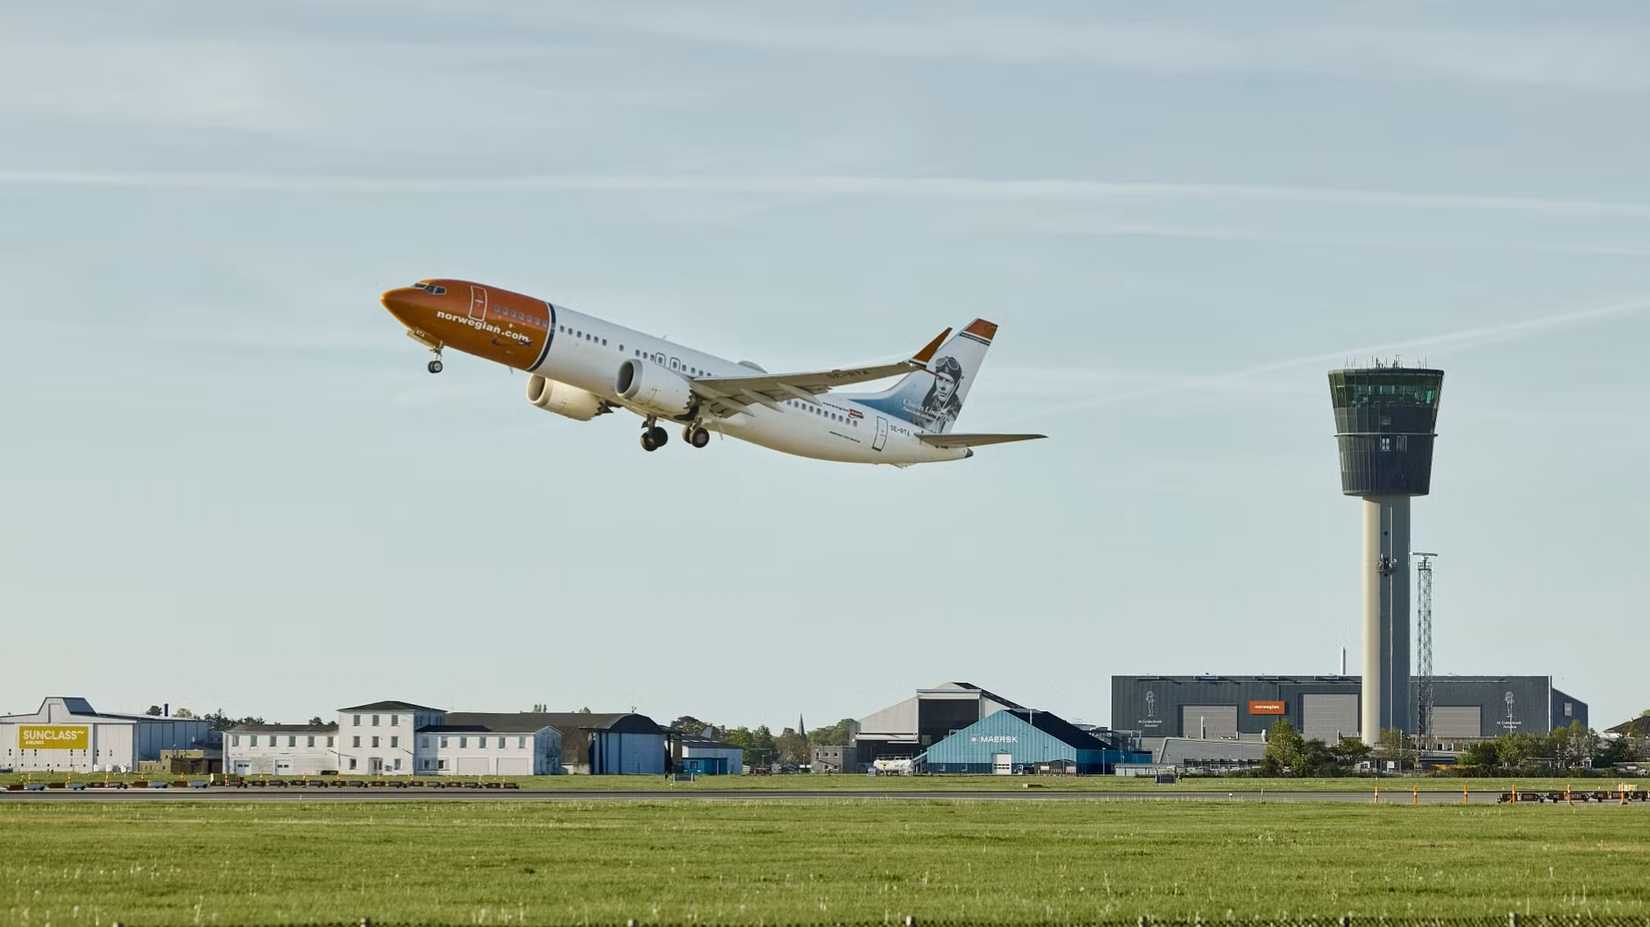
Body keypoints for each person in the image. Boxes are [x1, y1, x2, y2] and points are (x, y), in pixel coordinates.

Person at [919, 356, 964, 432]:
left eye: (948, 381)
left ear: (955, 386)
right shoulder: (927, 405)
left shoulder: (957, 414)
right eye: (940, 378)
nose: (942, 386)